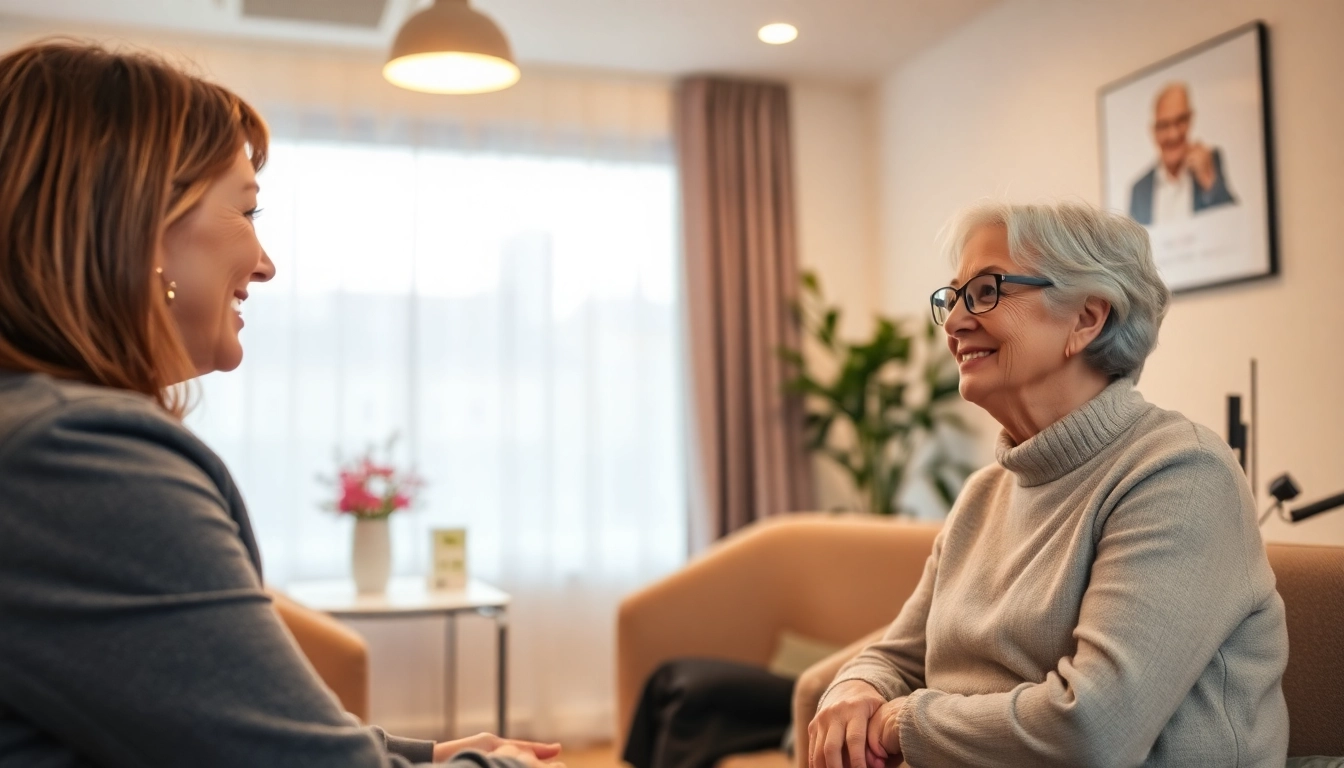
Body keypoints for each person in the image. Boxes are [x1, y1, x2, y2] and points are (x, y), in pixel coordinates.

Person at [0, 41, 564, 768]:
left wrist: (425, 757)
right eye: (247, 210)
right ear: (142, 224)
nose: (266, 263)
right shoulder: (77, 457)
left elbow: (195, 724)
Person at [808, 202, 1288, 767]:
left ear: (1087, 319)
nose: (957, 321)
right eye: (953, 297)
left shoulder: (1181, 476)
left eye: (986, 291)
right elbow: (896, 657)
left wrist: (900, 723)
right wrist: (853, 690)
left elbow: (1092, 730)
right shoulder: (983, 496)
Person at [1128, 82, 1236, 225]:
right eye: (1164, 125)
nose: (1173, 135)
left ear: (1190, 120)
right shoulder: (1140, 189)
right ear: (1154, 131)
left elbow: (1234, 225)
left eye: (1180, 121)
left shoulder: (1211, 162)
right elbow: (1131, 245)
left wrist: (1208, 180)